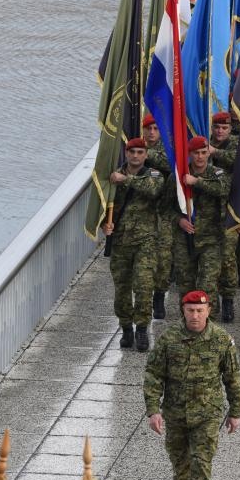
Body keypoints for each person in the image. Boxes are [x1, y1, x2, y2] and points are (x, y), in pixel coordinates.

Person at [144, 290, 240, 480]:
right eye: (190, 310)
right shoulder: (169, 339)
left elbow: (233, 378)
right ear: (183, 310)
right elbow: (154, 375)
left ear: (208, 310)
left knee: (201, 464)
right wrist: (153, 410)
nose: (195, 315)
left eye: (200, 311)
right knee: (181, 466)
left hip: (207, 415)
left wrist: (235, 411)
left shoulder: (221, 340)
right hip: (176, 414)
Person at [103, 137, 164, 351]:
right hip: (120, 242)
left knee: (144, 287)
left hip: (145, 242)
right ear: (126, 153)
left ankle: (141, 329)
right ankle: (126, 328)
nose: (136, 156)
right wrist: (104, 225)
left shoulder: (153, 175)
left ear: (146, 155)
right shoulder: (113, 175)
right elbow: (103, 203)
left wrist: (125, 180)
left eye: (140, 152)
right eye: (132, 152)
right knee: (121, 289)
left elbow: (153, 190)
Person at [174, 136, 229, 317]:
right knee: (185, 283)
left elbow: (224, 189)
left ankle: (209, 323)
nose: (200, 157)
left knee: (208, 283)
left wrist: (197, 182)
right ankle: (187, 322)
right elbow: (164, 207)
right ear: (189, 154)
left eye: (203, 153)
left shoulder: (217, 173)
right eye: (196, 153)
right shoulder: (179, 175)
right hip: (185, 239)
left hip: (211, 239)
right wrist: (178, 220)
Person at [143, 113, 173, 320]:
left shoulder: (166, 148)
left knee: (163, 259)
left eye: (155, 129)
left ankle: (160, 296)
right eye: (148, 129)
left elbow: (171, 165)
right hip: (140, 216)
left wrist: (146, 155)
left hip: (163, 214)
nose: (152, 133)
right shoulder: (133, 149)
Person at [209, 112, 239, 322]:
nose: (220, 132)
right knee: (209, 259)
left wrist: (215, 152)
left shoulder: (237, 144)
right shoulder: (204, 140)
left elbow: (238, 161)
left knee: (228, 258)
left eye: (224, 128)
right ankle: (212, 301)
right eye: (217, 127)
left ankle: (228, 299)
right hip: (207, 212)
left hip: (230, 209)